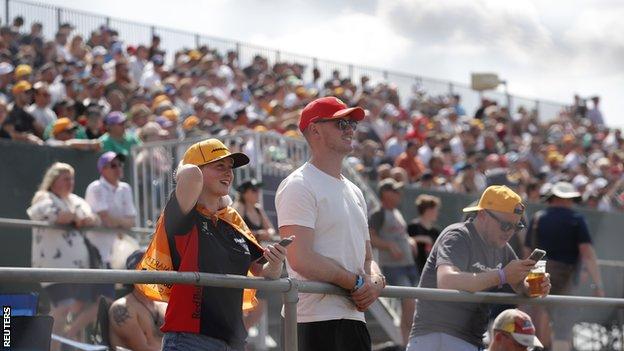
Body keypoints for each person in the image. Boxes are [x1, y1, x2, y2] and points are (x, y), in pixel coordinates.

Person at [155, 138, 287, 351]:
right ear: (197, 170)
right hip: (191, 339)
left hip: (233, 341)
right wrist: (189, 166)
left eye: (230, 168)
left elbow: (261, 273)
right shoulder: (183, 213)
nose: (229, 173)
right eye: (219, 166)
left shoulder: (232, 219)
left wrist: (276, 263)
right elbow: (189, 175)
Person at [276, 96, 385, 351]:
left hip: (352, 317)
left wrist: (376, 281)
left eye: (351, 124)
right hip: (314, 321)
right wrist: (357, 284)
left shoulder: (356, 192)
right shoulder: (299, 184)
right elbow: (300, 258)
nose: (349, 130)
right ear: (315, 129)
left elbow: (367, 257)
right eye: (341, 124)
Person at [406, 185, 551, 351]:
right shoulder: (458, 235)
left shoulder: (501, 247)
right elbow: (446, 281)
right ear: (482, 215)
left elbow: (520, 286)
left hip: (471, 341)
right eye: (505, 225)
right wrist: (502, 275)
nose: (510, 232)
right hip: (436, 336)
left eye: (516, 227)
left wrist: (535, 287)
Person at [26, 162, 99, 350]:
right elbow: (53, 214)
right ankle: (52, 348)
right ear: (53, 180)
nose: (70, 182)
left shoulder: (74, 200)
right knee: (63, 306)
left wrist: (86, 219)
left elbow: (92, 217)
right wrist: (75, 217)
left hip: (79, 267)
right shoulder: (44, 196)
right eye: (65, 178)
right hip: (53, 266)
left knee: (78, 310)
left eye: (72, 178)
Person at [524, 181, 604, 351]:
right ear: (566, 199)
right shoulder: (576, 219)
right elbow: (588, 253)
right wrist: (598, 285)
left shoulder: (537, 218)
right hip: (565, 280)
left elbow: (527, 252)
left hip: (537, 277)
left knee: (538, 325)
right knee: (562, 331)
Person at [368, 178, 416, 346]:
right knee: (409, 302)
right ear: (385, 194)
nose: (398, 194)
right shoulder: (378, 214)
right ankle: (406, 344)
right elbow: (370, 238)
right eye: (394, 191)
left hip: (408, 265)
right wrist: (389, 245)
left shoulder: (396, 211)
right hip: (394, 267)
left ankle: (408, 343)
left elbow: (400, 234)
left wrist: (409, 241)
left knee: (413, 303)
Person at [109, 250, 167, 351]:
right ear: (132, 274)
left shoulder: (164, 305)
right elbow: (142, 348)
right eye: (144, 269)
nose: (149, 273)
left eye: (153, 268)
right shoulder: (122, 307)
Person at [407, 194, 441, 275]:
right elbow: (405, 240)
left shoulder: (435, 231)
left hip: (429, 270)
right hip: (413, 268)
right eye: (436, 210)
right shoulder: (413, 227)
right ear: (428, 210)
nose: (437, 213)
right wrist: (418, 239)